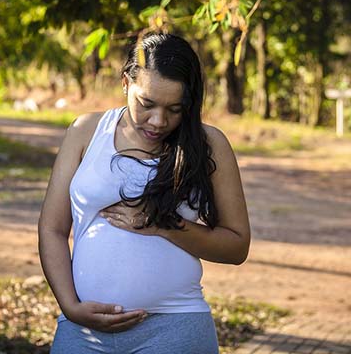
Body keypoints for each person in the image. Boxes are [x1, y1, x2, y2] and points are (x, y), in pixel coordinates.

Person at [38, 33, 250, 354]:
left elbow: (236, 246)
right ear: (126, 83)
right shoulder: (86, 131)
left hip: (175, 329)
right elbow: (52, 229)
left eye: (174, 109)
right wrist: (69, 306)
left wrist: (162, 225)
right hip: (83, 329)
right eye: (146, 104)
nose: (158, 121)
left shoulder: (208, 144)